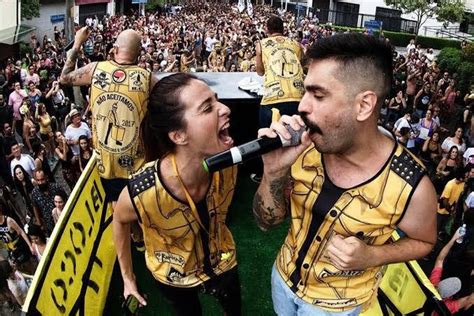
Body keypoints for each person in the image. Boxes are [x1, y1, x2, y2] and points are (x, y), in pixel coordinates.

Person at [253, 33, 437, 315]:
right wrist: (274, 171)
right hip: (282, 278)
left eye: (318, 95)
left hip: (338, 306)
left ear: (364, 105)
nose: (302, 106)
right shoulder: (304, 147)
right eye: (305, 92)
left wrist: (373, 255)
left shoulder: (411, 184)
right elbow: (266, 222)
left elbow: (424, 242)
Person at [113, 74, 241, 315]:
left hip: (223, 259)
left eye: (217, 100)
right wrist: (128, 278)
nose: (225, 109)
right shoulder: (143, 191)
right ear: (178, 136)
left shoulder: (229, 162)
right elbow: (119, 221)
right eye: (207, 108)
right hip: (173, 276)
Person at [60, 27, 157, 203]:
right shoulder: (148, 78)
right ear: (138, 53)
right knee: (139, 212)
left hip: (107, 167)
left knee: (119, 213)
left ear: (116, 49)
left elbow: (64, 78)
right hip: (137, 166)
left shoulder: (96, 70)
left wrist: (78, 43)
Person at [31, 169, 66, 236]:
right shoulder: (35, 193)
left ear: (46, 178)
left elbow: (65, 199)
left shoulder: (56, 187)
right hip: (49, 224)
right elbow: (35, 207)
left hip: (61, 218)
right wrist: (39, 223)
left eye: (42, 179)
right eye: (38, 180)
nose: (40, 182)